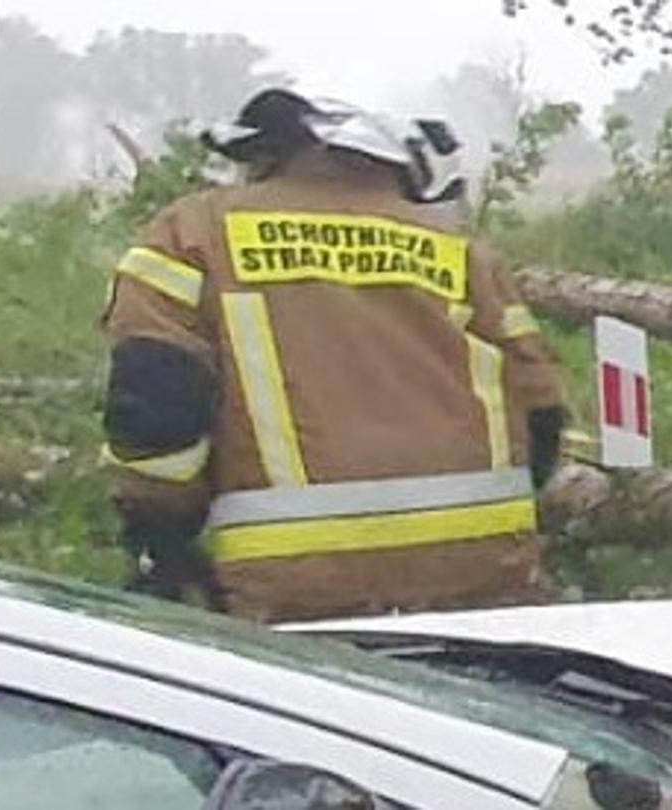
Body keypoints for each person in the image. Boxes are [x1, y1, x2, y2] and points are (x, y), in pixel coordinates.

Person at [99, 88, 568, 623]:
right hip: (480, 583)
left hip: (292, 590)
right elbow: (541, 415)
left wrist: (161, 534)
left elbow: (158, 402)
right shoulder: (463, 253)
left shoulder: (192, 234)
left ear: (265, 155)